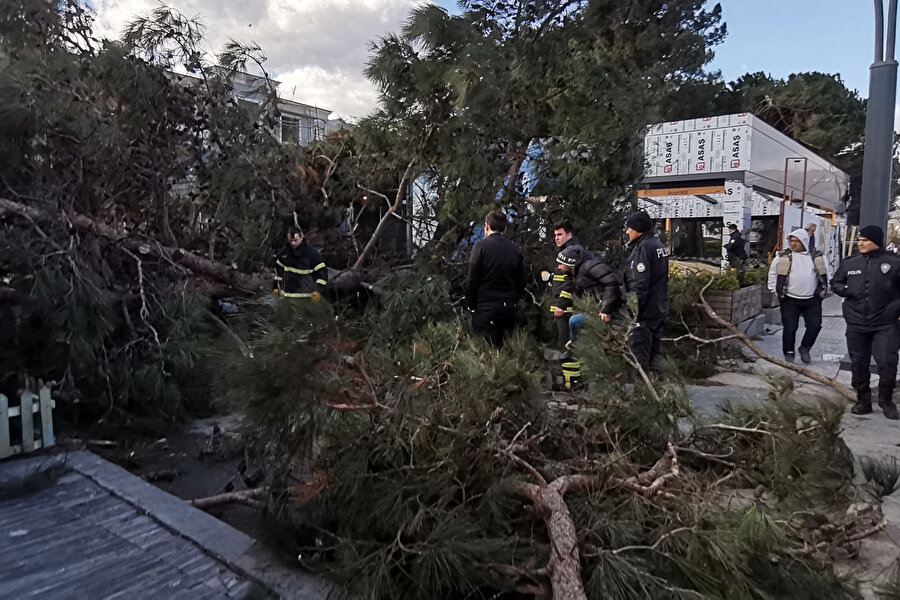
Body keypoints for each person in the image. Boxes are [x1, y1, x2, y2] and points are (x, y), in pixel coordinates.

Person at [831, 225, 900, 419]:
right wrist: (847, 291)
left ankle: (886, 401)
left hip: (886, 323)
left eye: (865, 240)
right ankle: (864, 400)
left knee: (887, 362)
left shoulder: (894, 263)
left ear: (876, 242)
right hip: (856, 322)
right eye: (859, 240)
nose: (860, 243)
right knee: (858, 363)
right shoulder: (849, 263)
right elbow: (835, 283)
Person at [766, 228, 830, 364]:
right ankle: (789, 352)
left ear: (804, 242)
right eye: (791, 241)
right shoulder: (782, 256)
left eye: (796, 241)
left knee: (815, 325)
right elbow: (773, 273)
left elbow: (826, 274)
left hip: (812, 300)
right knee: (790, 328)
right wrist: (774, 289)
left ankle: (805, 347)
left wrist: (825, 289)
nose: (793, 244)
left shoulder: (817, 257)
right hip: (789, 299)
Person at [467, 210, 528, 347]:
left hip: (485, 307)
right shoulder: (515, 249)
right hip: (508, 308)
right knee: (507, 349)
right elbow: (522, 279)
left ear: (486, 226)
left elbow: (473, 278)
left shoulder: (480, 247)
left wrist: (471, 304)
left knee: (485, 351)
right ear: (505, 229)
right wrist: (514, 299)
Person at [623, 210, 669, 372]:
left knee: (639, 360)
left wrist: (631, 311)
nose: (627, 231)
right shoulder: (659, 246)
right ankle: (658, 391)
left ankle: (642, 393)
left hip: (644, 314)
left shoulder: (643, 248)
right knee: (654, 357)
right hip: (658, 309)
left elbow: (639, 284)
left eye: (629, 228)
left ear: (638, 229)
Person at [550, 220, 594, 349]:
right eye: (555, 235)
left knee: (568, 347)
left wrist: (561, 305)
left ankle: (568, 369)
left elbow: (571, 283)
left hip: (568, 309)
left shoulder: (572, 254)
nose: (556, 238)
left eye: (559, 235)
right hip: (566, 309)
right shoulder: (567, 252)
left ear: (569, 236)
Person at [274, 228, 327, 300]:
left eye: (295, 240)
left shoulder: (312, 254)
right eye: (290, 240)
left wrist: (318, 291)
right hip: (287, 298)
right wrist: (276, 288)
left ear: (301, 238)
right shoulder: (284, 254)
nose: (293, 243)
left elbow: (322, 274)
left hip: (306, 298)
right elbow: (278, 273)